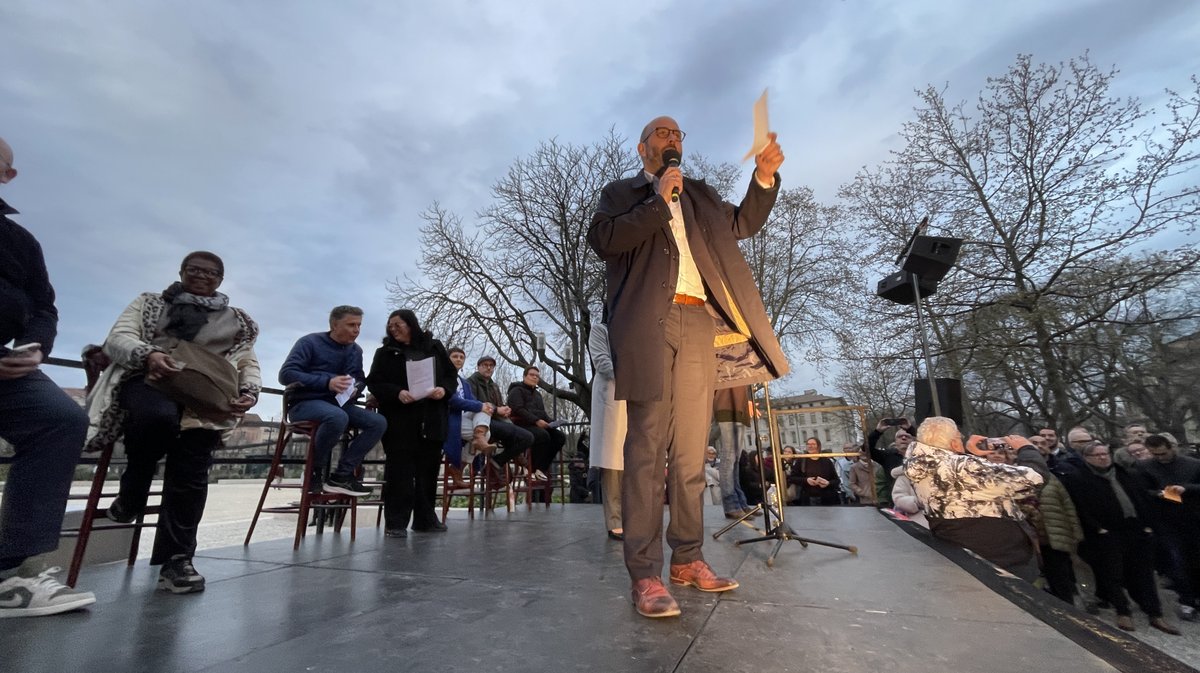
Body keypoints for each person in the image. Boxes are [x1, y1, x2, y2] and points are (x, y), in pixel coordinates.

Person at [589, 115, 786, 618]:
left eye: (678, 134)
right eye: (663, 133)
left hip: (699, 321)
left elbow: (741, 223)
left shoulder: (698, 194)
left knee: (693, 452)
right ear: (642, 148)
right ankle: (646, 574)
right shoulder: (622, 194)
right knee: (647, 448)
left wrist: (763, 179)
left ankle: (688, 558)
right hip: (648, 325)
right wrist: (658, 201)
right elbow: (606, 241)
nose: (673, 139)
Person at [87, 250, 260, 594]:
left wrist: (250, 390)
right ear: (181, 271)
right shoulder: (150, 303)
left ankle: (177, 559)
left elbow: (246, 361)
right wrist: (149, 354)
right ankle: (134, 488)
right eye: (194, 269)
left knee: (193, 462)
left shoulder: (238, 321)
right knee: (157, 417)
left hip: (203, 395)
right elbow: (118, 338)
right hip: (148, 379)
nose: (202, 276)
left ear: (220, 280)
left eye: (211, 272)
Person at [0, 135, 96, 616]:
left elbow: (44, 307)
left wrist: (35, 347)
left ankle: (10, 570)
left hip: (7, 362)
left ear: (7, 175)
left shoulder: (19, 242)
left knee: (60, 419)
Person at [1058, 442, 1182, 634]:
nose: (1103, 457)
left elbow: (1143, 499)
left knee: (1145, 574)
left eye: (1105, 453)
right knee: (1113, 573)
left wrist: (1148, 526)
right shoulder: (1079, 479)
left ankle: (1155, 614)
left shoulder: (1126, 474)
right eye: (1097, 455)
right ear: (1087, 458)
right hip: (1107, 533)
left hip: (1137, 530)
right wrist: (1098, 529)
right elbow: (1080, 508)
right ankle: (1122, 611)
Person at [903, 417, 1043, 581]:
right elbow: (1034, 478)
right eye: (959, 436)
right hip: (999, 557)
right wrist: (1026, 448)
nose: (962, 438)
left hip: (962, 550)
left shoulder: (920, 463)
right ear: (954, 442)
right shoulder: (963, 466)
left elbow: (960, 487)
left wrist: (968, 455)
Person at [366, 310, 457, 537]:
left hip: (432, 416)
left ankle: (426, 519)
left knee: (429, 470)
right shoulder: (385, 353)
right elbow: (375, 382)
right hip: (400, 418)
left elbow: (450, 376)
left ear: (411, 324)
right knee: (400, 471)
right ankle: (396, 523)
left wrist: (443, 390)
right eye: (390, 325)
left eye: (398, 325)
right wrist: (397, 392)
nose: (393, 329)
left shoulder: (434, 347)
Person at [279, 306, 387, 496]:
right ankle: (315, 471)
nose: (357, 330)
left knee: (377, 422)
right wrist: (327, 382)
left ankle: (342, 475)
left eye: (359, 325)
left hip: (340, 404)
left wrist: (356, 388)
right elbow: (286, 374)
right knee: (336, 417)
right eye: (351, 324)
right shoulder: (310, 342)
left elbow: (359, 377)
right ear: (334, 325)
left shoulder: (356, 350)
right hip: (305, 403)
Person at [589, 321, 626, 541]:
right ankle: (615, 520)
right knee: (611, 462)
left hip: (632, 398)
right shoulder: (599, 329)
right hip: (610, 395)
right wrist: (630, 377)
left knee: (631, 460)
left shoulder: (631, 328)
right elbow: (602, 362)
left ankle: (632, 518)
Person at [466, 356, 534, 470]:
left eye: (491, 366)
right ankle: (502, 462)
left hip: (497, 420)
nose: (488, 368)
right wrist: (497, 409)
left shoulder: (494, 385)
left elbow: (498, 404)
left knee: (527, 437)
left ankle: (497, 462)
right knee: (526, 437)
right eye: (485, 365)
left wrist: (505, 409)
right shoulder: (470, 382)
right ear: (478, 367)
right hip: (480, 423)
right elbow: (474, 404)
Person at [441, 347, 494, 491]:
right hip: (450, 418)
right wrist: (480, 406)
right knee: (486, 433)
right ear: (447, 359)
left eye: (461, 357)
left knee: (485, 410)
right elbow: (453, 401)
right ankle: (458, 467)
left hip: (465, 418)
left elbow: (473, 402)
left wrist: (485, 406)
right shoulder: (443, 377)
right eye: (455, 356)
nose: (459, 359)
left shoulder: (463, 382)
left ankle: (458, 467)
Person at [506, 366, 566, 482]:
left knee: (559, 437)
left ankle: (541, 468)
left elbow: (542, 413)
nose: (534, 377)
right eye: (532, 375)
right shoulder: (516, 391)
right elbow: (518, 409)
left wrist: (552, 422)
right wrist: (536, 421)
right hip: (520, 424)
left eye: (537, 376)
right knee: (543, 435)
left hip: (536, 424)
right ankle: (530, 467)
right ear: (524, 376)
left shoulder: (537, 395)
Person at [796, 437, 840, 506]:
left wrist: (828, 483)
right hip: (808, 498)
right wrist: (806, 480)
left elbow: (836, 480)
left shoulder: (826, 461)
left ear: (818, 446)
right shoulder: (801, 461)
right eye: (808, 444)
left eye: (813, 444)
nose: (810, 446)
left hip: (826, 498)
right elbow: (792, 478)